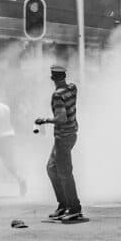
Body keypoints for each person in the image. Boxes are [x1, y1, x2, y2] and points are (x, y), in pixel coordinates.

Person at [34, 65, 83, 222]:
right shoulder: (72, 88)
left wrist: (44, 120)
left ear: (52, 78)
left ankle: (74, 208)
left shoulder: (57, 95)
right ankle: (64, 204)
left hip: (63, 137)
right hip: (71, 135)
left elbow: (62, 118)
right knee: (52, 168)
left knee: (64, 173)